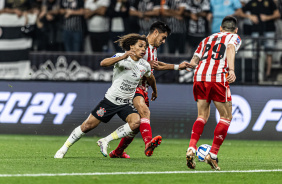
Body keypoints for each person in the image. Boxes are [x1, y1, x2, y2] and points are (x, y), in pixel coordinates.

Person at [54, 33, 157, 158]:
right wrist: (123, 56)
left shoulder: (144, 65)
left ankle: (105, 140)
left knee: (136, 123)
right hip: (110, 101)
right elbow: (103, 63)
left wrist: (155, 91)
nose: (143, 50)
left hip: (125, 103)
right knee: (87, 126)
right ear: (131, 47)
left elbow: (151, 78)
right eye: (140, 46)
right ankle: (64, 148)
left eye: (145, 47)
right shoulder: (121, 57)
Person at [98, 21, 190, 158]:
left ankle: (117, 152)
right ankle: (148, 143)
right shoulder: (142, 46)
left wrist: (177, 67)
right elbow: (132, 61)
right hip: (133, 87)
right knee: (144, 110)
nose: (164, 41)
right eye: (163, 37)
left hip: (143, 88)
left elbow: (156, 65)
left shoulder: (152, 48)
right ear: (155, 33)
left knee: (136, 126)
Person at [185, 16, 242, 170]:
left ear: (221, 28)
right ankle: (213, 155)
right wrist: (231, 69)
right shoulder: (234, 37)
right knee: (226, 117)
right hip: (217, 77)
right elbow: (230, 48)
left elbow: (195, 58)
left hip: (199, 76)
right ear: (235, 30)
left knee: (202, 116)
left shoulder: (207, 38)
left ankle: (191, 148)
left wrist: (190, 65)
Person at [236, 0, 280, 81]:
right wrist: (250, 16)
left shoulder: (270, 2)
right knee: (255, 53)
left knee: (269, 52)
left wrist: (267, 17)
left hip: (269, 30)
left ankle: (268, 74)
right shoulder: (252, 2)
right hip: (255, 30)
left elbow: (277, 14)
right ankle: (256, 74)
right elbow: (239, 12)